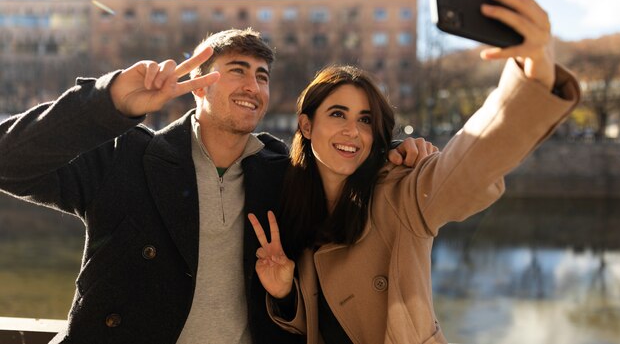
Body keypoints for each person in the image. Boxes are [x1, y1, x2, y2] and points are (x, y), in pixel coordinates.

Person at [0, 28, 431, 344]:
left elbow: (344, 158)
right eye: (237, 70)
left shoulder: (285, 174)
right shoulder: (126, 157)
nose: (253, 85)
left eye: (262, 76)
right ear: (197, 86)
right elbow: (9, 162)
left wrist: (396, 153)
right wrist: (107, 102)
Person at [248, 0, 581, 344]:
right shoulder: (296, 204)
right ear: (306, 125)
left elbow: (470, 166)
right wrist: (285, 294)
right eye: (337, 114)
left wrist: (533, 75)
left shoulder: (401, 193)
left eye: (365, 120)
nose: (353, 131)